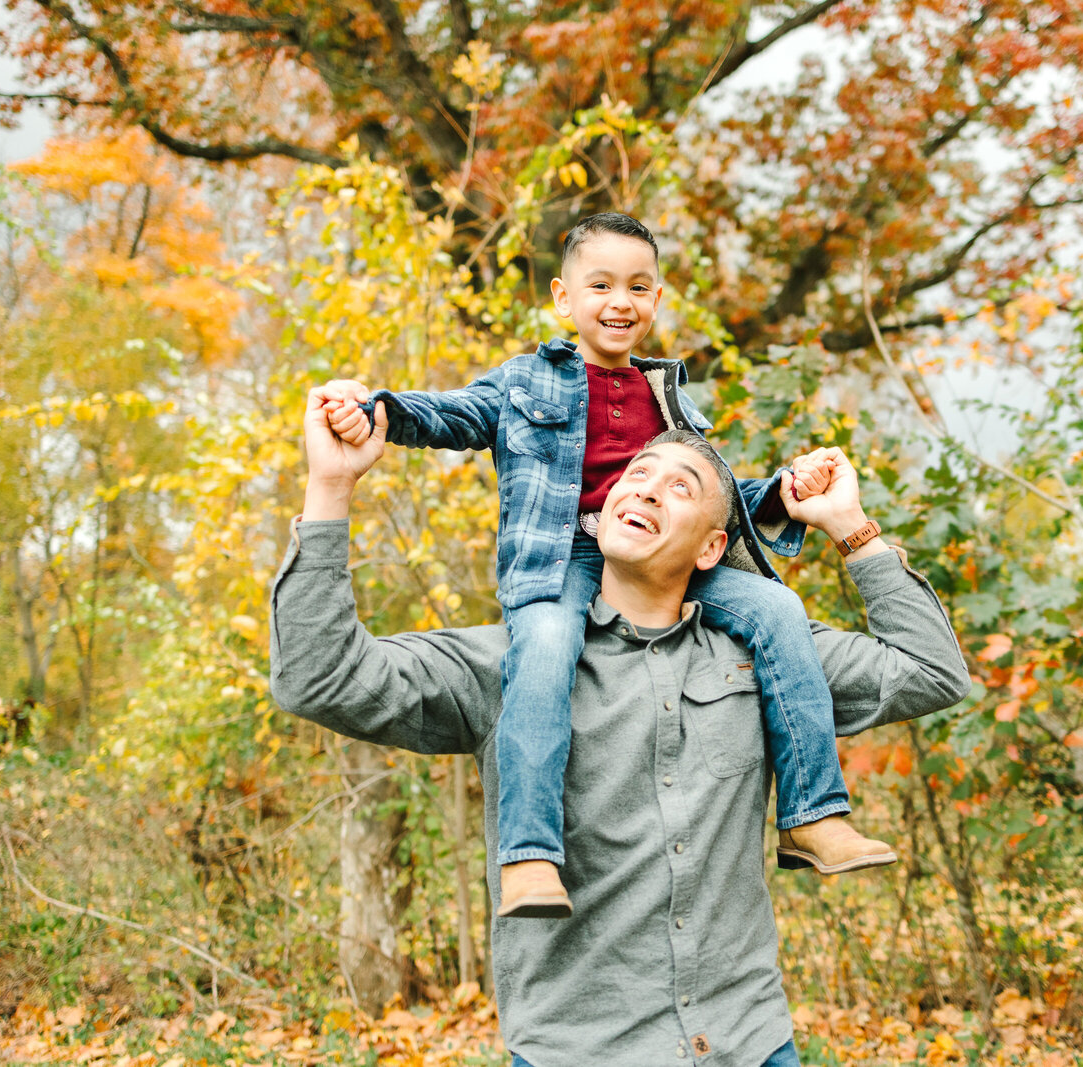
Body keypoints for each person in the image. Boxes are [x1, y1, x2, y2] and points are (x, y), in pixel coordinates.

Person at [270, 393, 971, 1067]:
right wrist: (330, 489)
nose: (647, 490)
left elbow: (931, 672)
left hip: (747, 1043)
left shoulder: (769, 659)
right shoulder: (513, 666)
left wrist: (851, 528)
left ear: (711, 547)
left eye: (681, 486)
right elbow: (319, 677)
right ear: (600, 512)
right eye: (635, 477)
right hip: (578, 1053)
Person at [321, 212, 892, 919]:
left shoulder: (670, 398)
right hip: (560, 556)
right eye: (601, 284)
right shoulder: (526, 379)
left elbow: (709, 501)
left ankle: (812, 816)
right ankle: (529, 855)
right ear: (564, 297)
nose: (620, 301)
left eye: (638, 286)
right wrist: (373, 408)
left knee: (778, 609)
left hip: (659, 556)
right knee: (547, 651)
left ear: (656, 300)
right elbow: (448, 415)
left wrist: (784, 491)